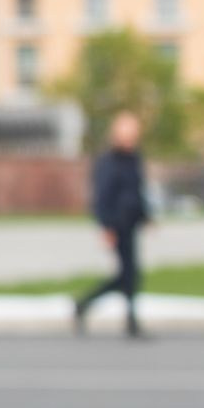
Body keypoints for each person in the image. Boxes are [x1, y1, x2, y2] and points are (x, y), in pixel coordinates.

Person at [75, 109, 151, 338]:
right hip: (116, 224)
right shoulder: (108, 162)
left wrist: (145, 216)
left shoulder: (134, 159)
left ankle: (126, 318)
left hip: (131, 223)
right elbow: (102, 196)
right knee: (127, 275)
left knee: (130, 274)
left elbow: (137, 192)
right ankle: (88, 304)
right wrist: (106, 226)